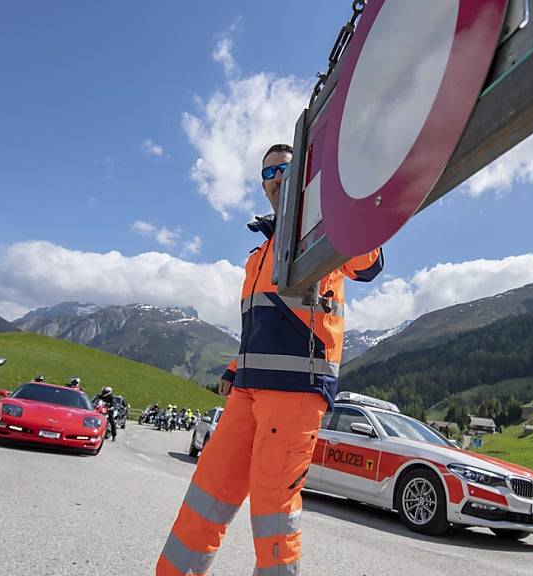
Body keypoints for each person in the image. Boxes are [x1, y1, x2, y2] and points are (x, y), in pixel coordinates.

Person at [156, 143, 382, 576]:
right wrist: (234, 368)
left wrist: (339, 196)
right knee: (206, 493)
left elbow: (366, 261)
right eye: (268, 172)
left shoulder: (322, 226)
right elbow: (260, 325)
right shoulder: (258, 255)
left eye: (284, 168)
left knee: (272, 512)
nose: (275, 177)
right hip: (248, 389)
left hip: (296, 390)